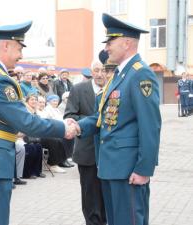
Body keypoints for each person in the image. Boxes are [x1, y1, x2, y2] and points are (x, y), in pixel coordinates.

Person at [0, 21, 79, 225]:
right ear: (6, 45)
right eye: (19, 48)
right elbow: (26, 122)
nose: (21, 55)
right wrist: (63, 128)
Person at [77, 13, 161, 225]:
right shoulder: (118, 75)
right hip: (110, 167)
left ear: (127, 43)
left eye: (110, 42)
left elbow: (150, 126)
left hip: (128, 171)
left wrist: (144, 169)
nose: (106, 48)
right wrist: (76, 126)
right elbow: (102, 117)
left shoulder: (140, 74)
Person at [64, 59, 107, 225]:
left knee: (106, 194)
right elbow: (69, 116)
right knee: (90, 195)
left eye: (103, 70)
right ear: (91, 72)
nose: (99, 74)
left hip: (107, 153)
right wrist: (92, 122)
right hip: (87, 151)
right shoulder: (79, 89)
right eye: (96, 70)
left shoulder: (113, 89)